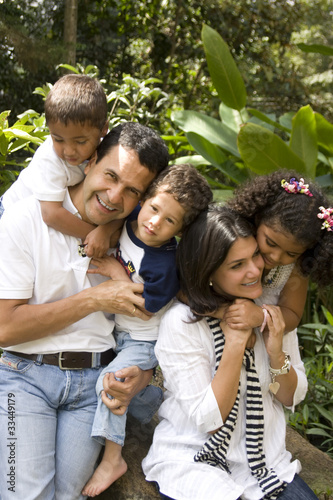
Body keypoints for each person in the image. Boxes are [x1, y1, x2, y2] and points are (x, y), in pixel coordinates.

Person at [0, 121, 170, 500]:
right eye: (110, 176)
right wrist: (96, 299)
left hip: (94, 384)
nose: (113, 196)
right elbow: (5, 329)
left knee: (70, 495)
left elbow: (149, 327)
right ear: (90, 161)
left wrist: (139, 375)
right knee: (23, 494)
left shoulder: (137, 240)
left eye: (131, 191)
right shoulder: (25, 219)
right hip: (23, 377)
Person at [142, 205, 317, 500]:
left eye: (254, 257)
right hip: (193, 461)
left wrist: (275, 351)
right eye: (237, 265)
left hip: (264, 464)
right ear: (209, 272)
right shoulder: (183, 323)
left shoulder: (270, 313)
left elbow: (291, 396)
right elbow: (209, 422)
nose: (255, 270)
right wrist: (235, 343)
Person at [82, 163, 213, 497]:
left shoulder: (164, 265)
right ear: (148, 199)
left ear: (180, 230)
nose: (154, 222)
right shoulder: (135, 214)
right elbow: (117, 218)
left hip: (143, 338)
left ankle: (113, 459)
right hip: (115, 332)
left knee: (110, 385)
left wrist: (116, 274)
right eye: (154, 209)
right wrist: (102, 232)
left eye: (169, 221)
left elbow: (145, 310)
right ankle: (150, 401)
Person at [0, 73, 120, 257]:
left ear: (103, 129)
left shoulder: (109, 148)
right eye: (58, 139)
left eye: (80, 142)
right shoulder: (50, 158)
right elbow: (51, 215)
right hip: (8, 213)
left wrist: (104, 231)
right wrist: (96, 235)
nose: (68, 151)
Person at [222, 170, 333, 335]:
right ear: (258, 217)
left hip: (274, 348)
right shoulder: (232, 242)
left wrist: (261, 316)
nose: (276, 257)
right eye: (270, 243)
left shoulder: (295, 268)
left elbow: (292, 315)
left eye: (291, 254)